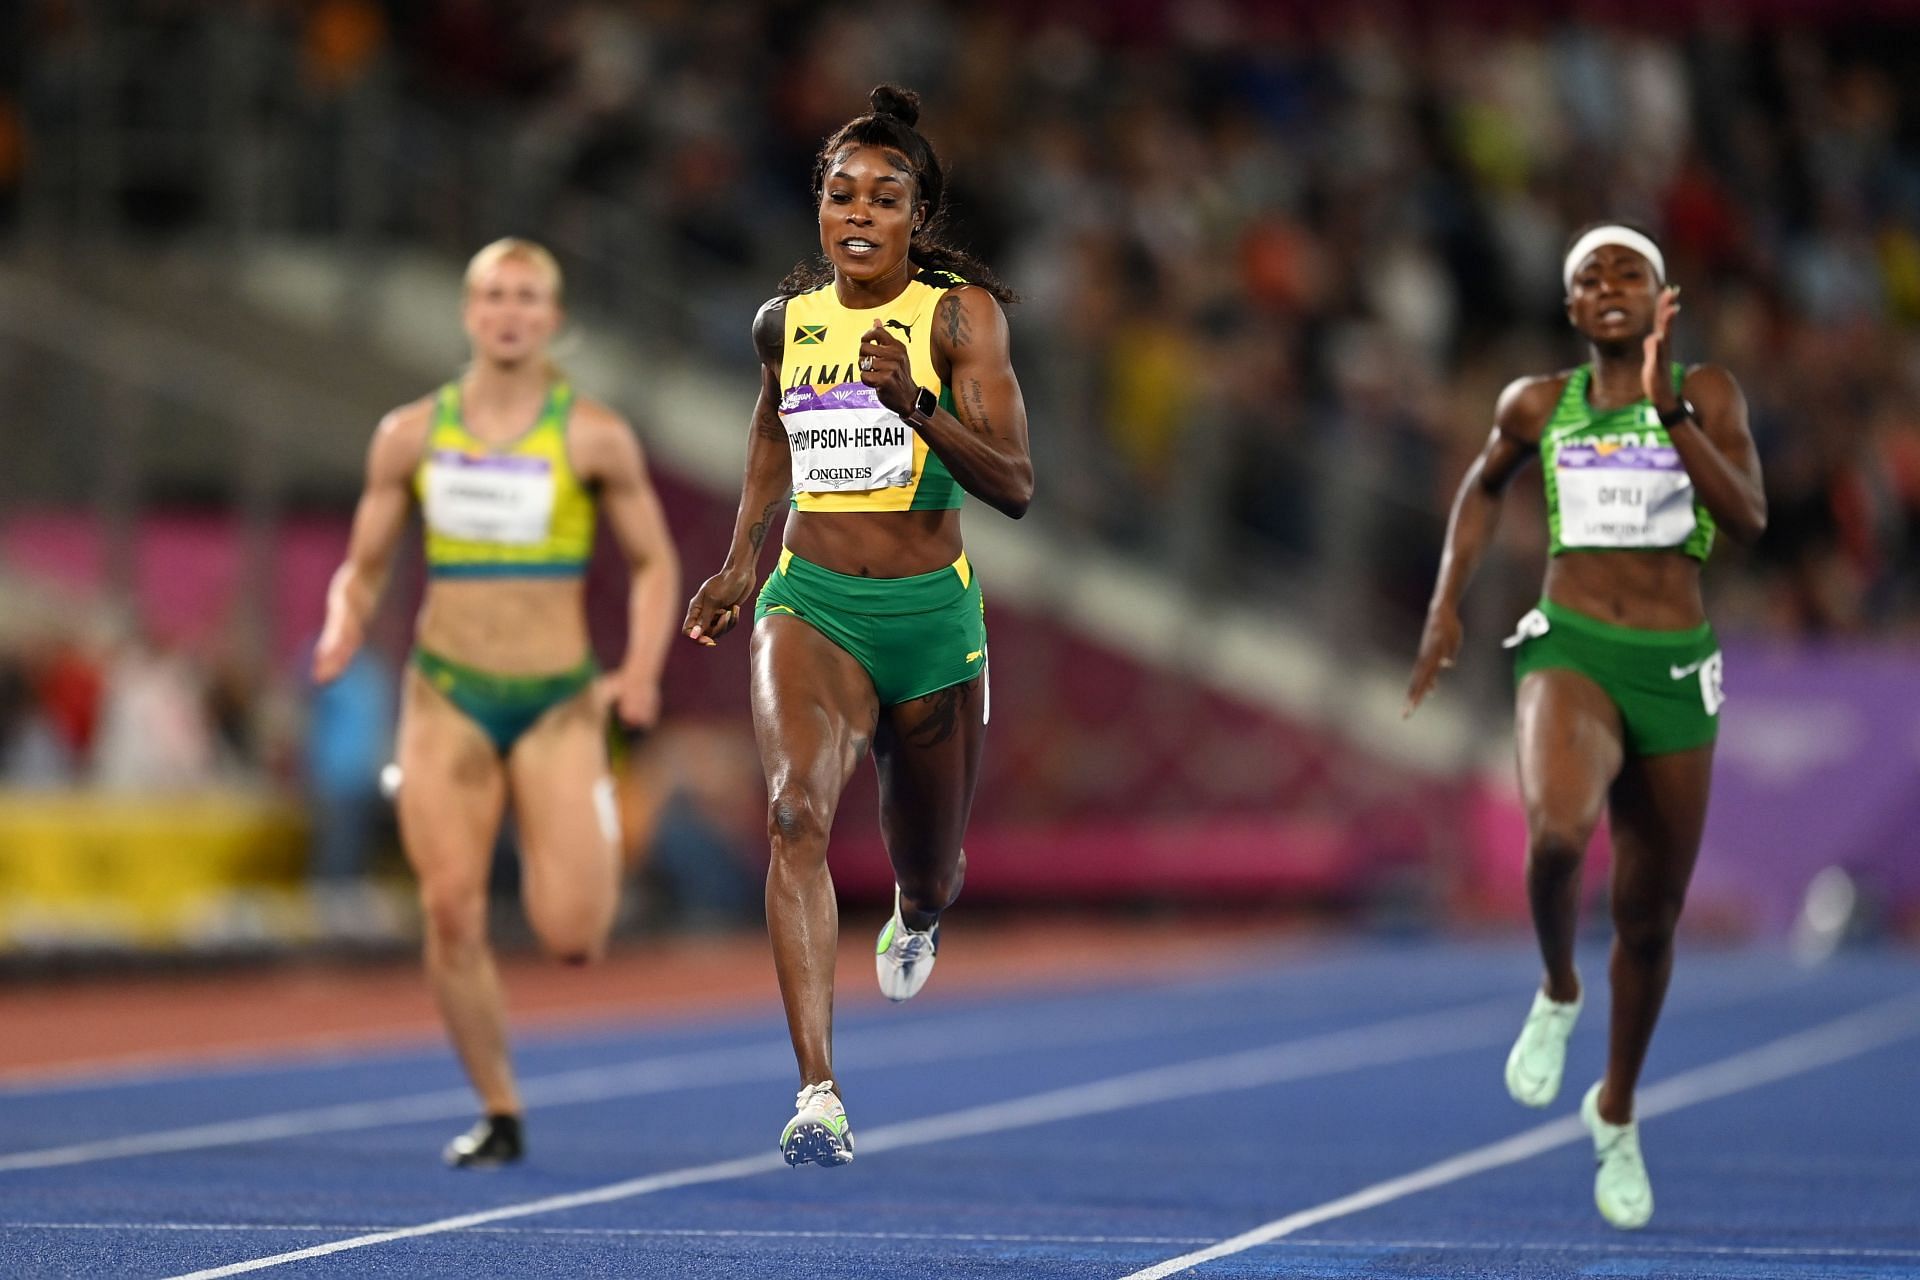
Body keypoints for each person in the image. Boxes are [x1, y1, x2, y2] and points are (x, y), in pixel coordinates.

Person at [682, 84, 1032, 1168]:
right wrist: (744, 559)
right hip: (813, 605)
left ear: (916, 217)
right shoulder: (784, 324)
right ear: (821, 211)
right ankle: (818, 1092)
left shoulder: (957, 317)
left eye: (887, 196)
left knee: (928, 865)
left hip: (930, 619)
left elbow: (1017, 482)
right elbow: (770, 434)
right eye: (843, 195)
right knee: (794, 813)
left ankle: (919, 912)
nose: (862, 213)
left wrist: (916, 408)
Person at [1406, 224, 1766, 1228]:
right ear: (1571, 309)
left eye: (1629, 273)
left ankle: (1615, 1108)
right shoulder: (1537, 401)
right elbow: (1481, 487)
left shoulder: (1714, 392)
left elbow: (1749, 519)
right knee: (1560, 833)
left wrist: (1672, 417)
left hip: (1674, 665)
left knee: (1649, 919)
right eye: (1588, 277)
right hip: (1568, 645)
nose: (1609, 285)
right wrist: (1447, 599)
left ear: (1664, 300)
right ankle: (1559, 985)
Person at [314, 237, 679, 1167]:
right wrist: (341, 622)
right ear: (469, 312)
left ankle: (582, 857)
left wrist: (637, 670)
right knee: (450, 910)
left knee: (572, 933)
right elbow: (362, 568)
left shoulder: (593, 433)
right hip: (446, 697)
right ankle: (500, 1108)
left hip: (558, 703)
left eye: (527, 297)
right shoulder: (411, 433)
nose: (509, 312)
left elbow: (653, 563)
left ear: (552, 319)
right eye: (492, 295)